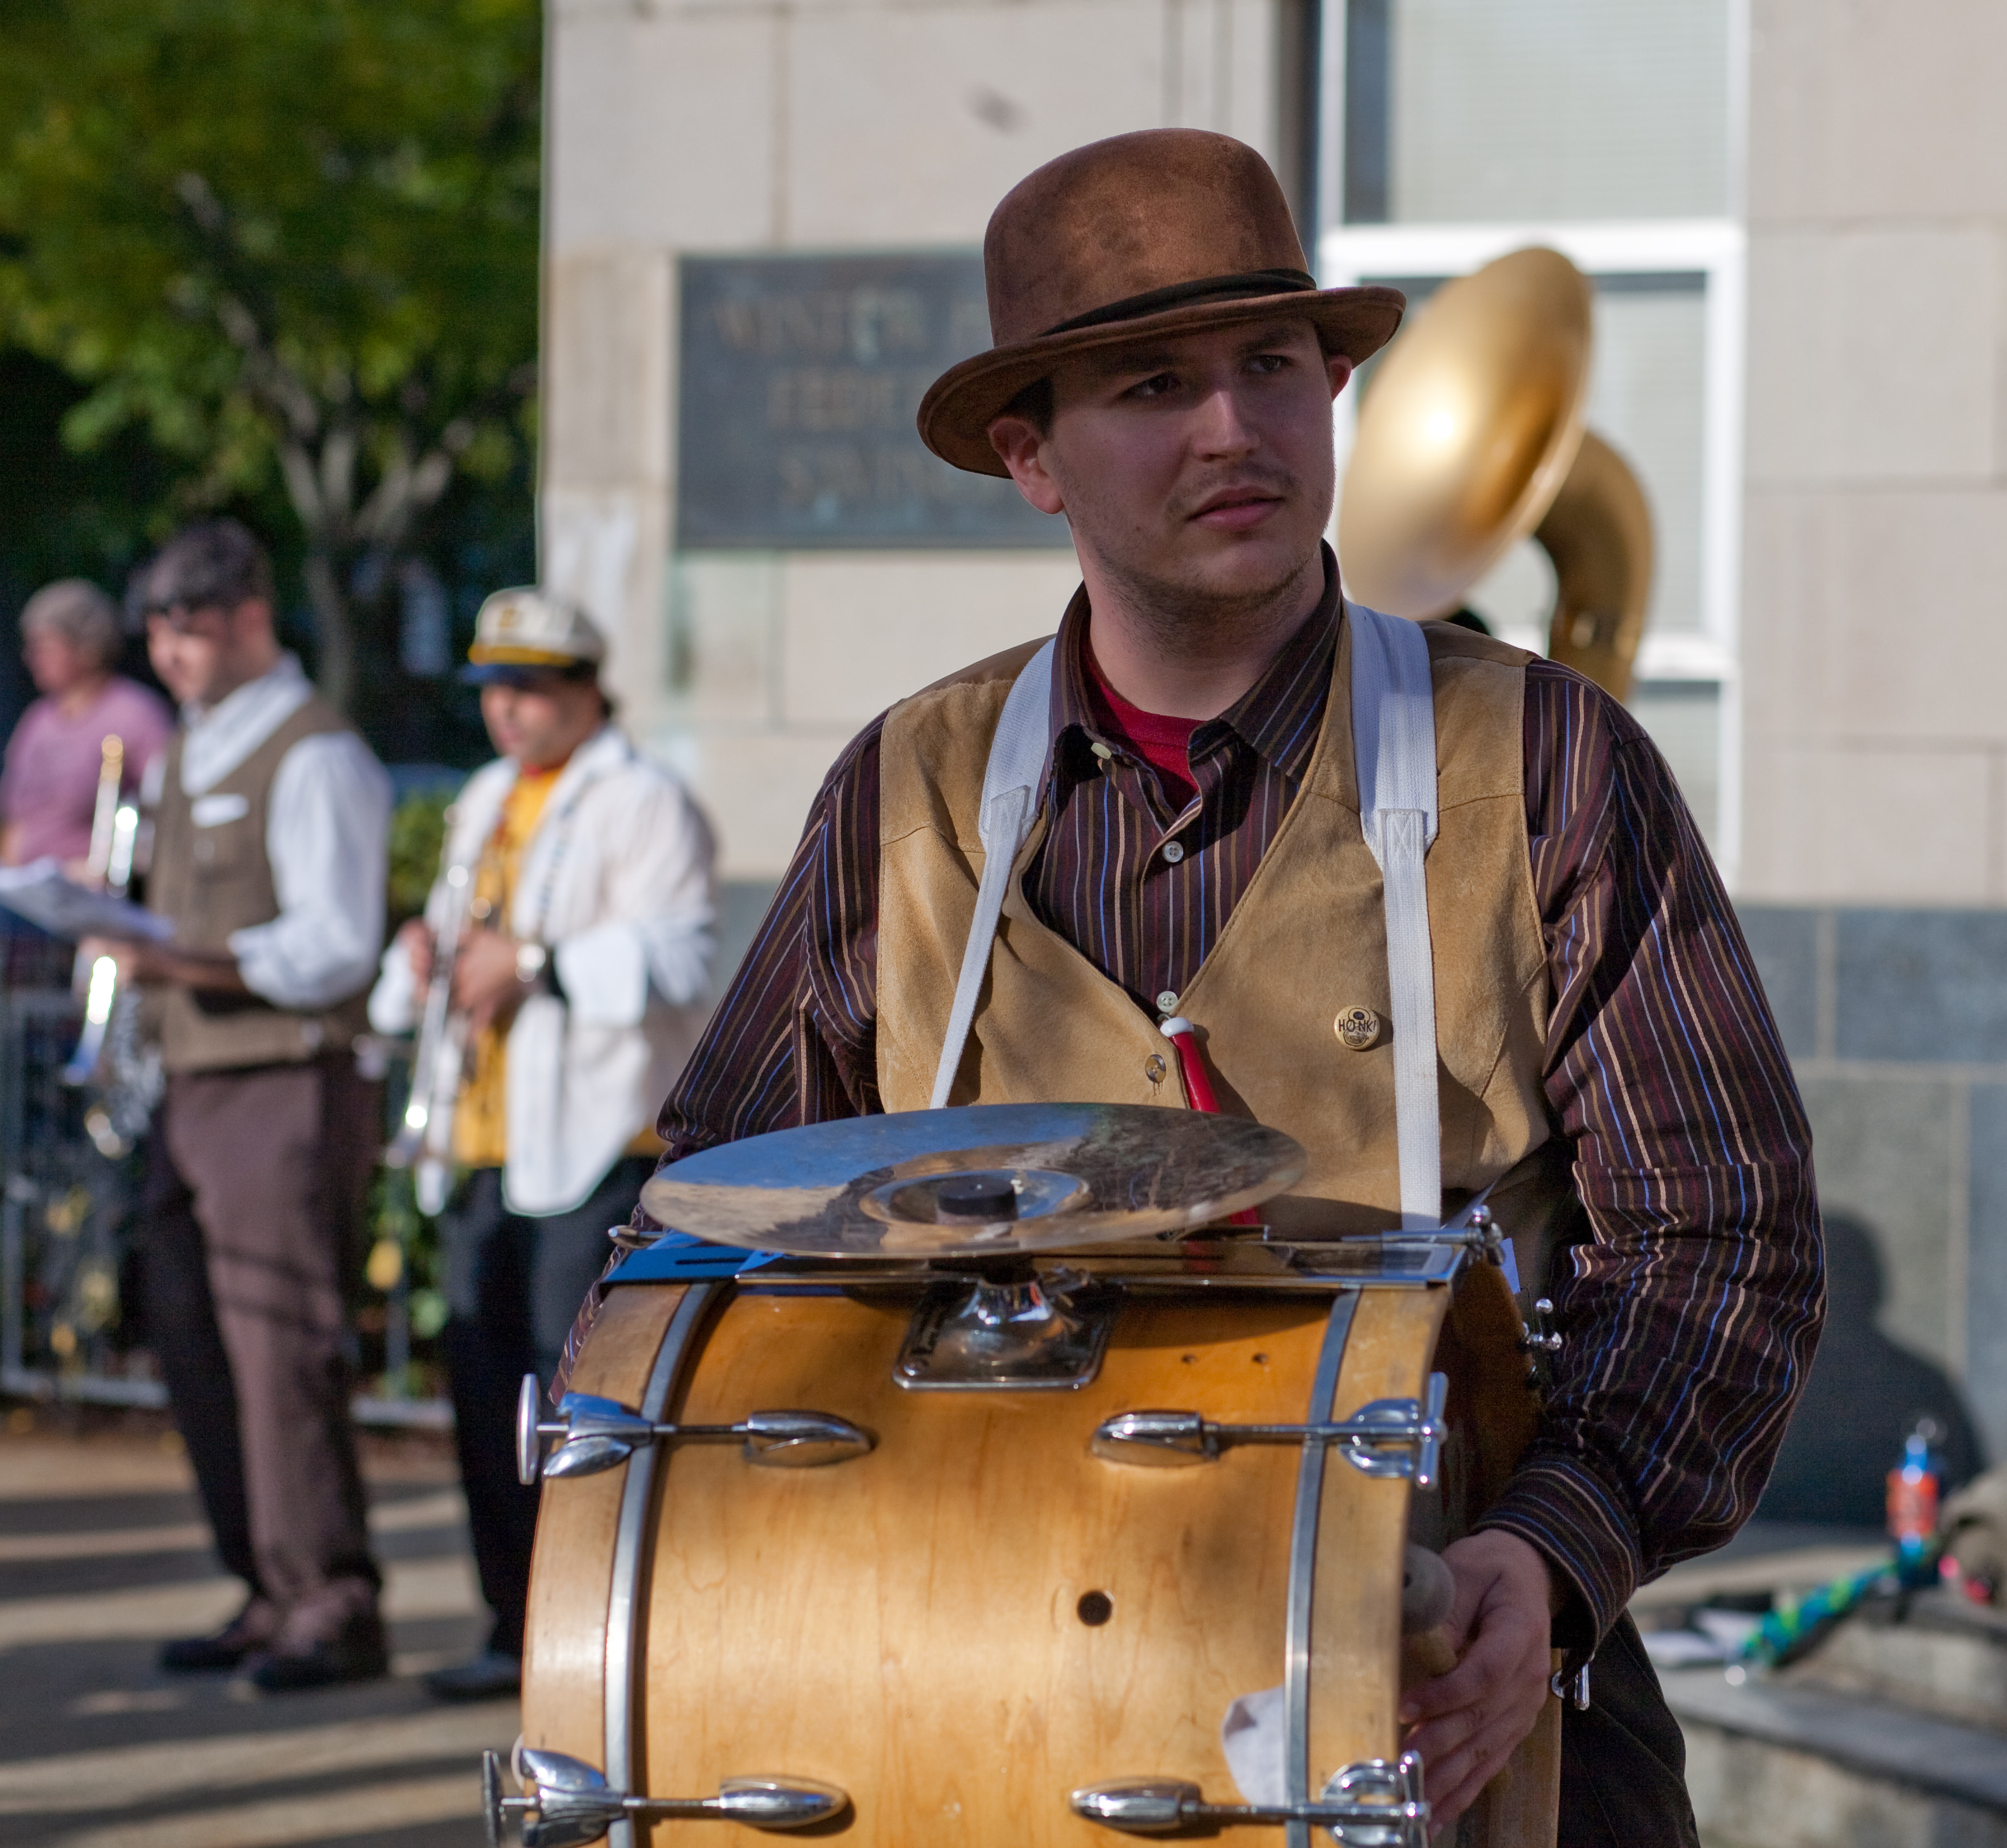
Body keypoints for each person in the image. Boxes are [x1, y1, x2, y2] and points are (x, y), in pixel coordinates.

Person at [650, 131, 1823, 1843]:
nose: (1231, 429)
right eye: (1147, 385)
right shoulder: (900, 793)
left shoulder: (1546, 758)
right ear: (1024, 453)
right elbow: (711, 1234)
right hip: (984, 1686)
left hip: (1456, 1671)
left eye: (1269, 367)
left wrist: (1549, 1554)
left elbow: (1724, 1231)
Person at [369, 588, 715, 1701]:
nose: (507, 711)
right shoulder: (480, 799)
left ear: (582, 691)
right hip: (483, 1131)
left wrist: (533, 962)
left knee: (572, 1401)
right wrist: (429, 957)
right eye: (493, 691)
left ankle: (584, 1636)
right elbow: (459, 936)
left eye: (529, 688)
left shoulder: (645, 799)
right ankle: (505, 1622)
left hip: (593, 1137)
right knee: (482, 1395)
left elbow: (681, 958)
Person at [98, 519, 394, 1693]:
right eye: (159, 634)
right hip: (192, 1082)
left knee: (281, 1347)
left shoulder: (314, 751)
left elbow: (334, 946)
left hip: (282, 1074)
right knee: (197, 1342)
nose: (169, 655)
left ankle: (333, 1597)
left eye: (189, 629)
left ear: (249, 615)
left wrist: (185, 964)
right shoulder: (190, 746)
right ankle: (268, 1582)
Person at [0, 579, 173, 873]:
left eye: (45, 647)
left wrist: (104, 868)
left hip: (91, 895)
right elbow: (12, 821)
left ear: (87, 647)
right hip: (26, 892)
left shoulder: (135, 716)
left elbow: (167, 813)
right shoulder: (37, 721)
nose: (32, 659)